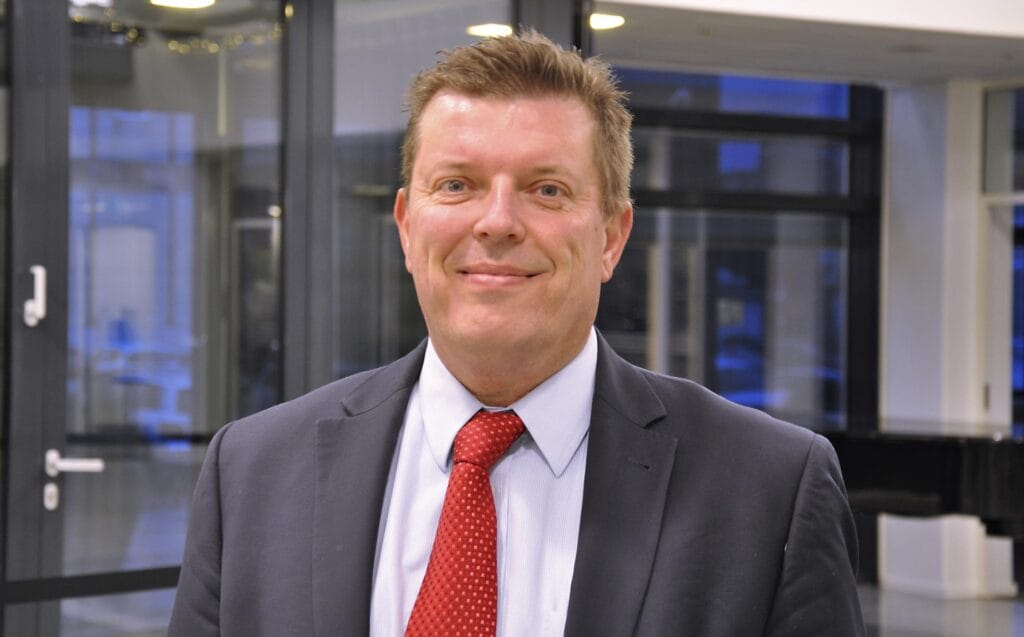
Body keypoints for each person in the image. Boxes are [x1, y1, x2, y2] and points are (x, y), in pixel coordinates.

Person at [169, 31, 864, 636]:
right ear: (408, 226)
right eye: (457, 185)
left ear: (613, 236)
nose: (497, 221)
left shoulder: (769, 491)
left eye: (547, 189)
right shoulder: (253, 471)